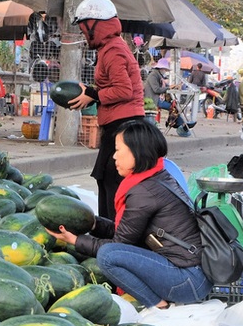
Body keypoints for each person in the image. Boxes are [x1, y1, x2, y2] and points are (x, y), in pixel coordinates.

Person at [46, 120, 213, 309]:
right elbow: (126, 232)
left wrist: (76, 241)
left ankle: (159, 305)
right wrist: (93, 224)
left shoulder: (145, 192)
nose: (114, 157)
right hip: (190, 274)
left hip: (187, 280)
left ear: (137, 151)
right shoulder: (156, 177)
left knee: (108, 256)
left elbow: (120, 246)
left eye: (118, 150)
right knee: (110, 252)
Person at [68, 0, 145, 220]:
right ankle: (110, 234)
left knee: (113, 183)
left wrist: (92, 95)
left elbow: (124, 90)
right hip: (118, 124)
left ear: (95, 25)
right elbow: (112, 86)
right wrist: (91, 93)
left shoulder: (113, 50)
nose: (83, 34)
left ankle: (114, 237)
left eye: (84, 29)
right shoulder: (109, 48)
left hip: (124, 126)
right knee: (106, 179)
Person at [144, 58, 193, 136]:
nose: (166, 71)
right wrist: (169, 88)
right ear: (161, 68)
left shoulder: (159, 75)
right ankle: (181, 125)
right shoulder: (153, 75)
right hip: (152, 100)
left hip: (158, 98)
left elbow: (164, 87)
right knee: (172, 107)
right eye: (165, 69)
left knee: (174, 106)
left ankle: (181, 125)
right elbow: (156, 90)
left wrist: (173, 86)